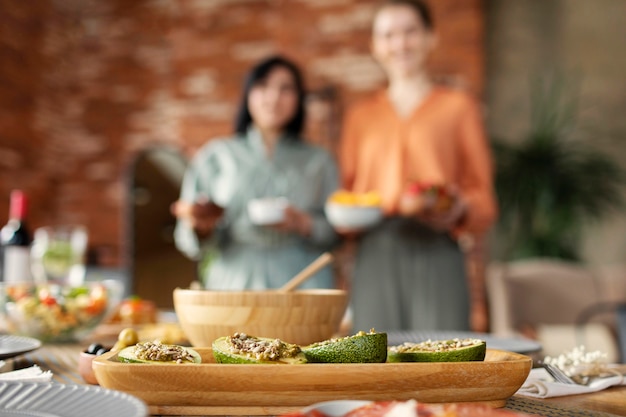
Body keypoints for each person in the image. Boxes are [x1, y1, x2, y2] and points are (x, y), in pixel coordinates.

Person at [339, 0, 497, 332]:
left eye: (410, 32)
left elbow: (483, 197)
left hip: (438, 247)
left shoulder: (459, 107)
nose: (400, 44)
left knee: (444, 363)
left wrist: (459, 208)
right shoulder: (360, 116)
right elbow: (346, 193)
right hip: (375, 251)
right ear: (375, 45)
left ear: (430, 37)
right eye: (388, 35)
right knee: (375, 366)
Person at [172, 55, 339, 290]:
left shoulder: (319, 160)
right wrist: (201, 227)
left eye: (285, 89)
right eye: (263, 86)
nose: (273, 97)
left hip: (303, 282)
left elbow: (337, 232)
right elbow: (187, 238)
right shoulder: (217, 155)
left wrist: (302, 223)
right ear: (248, 94)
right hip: (233, 283)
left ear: (298, 99)